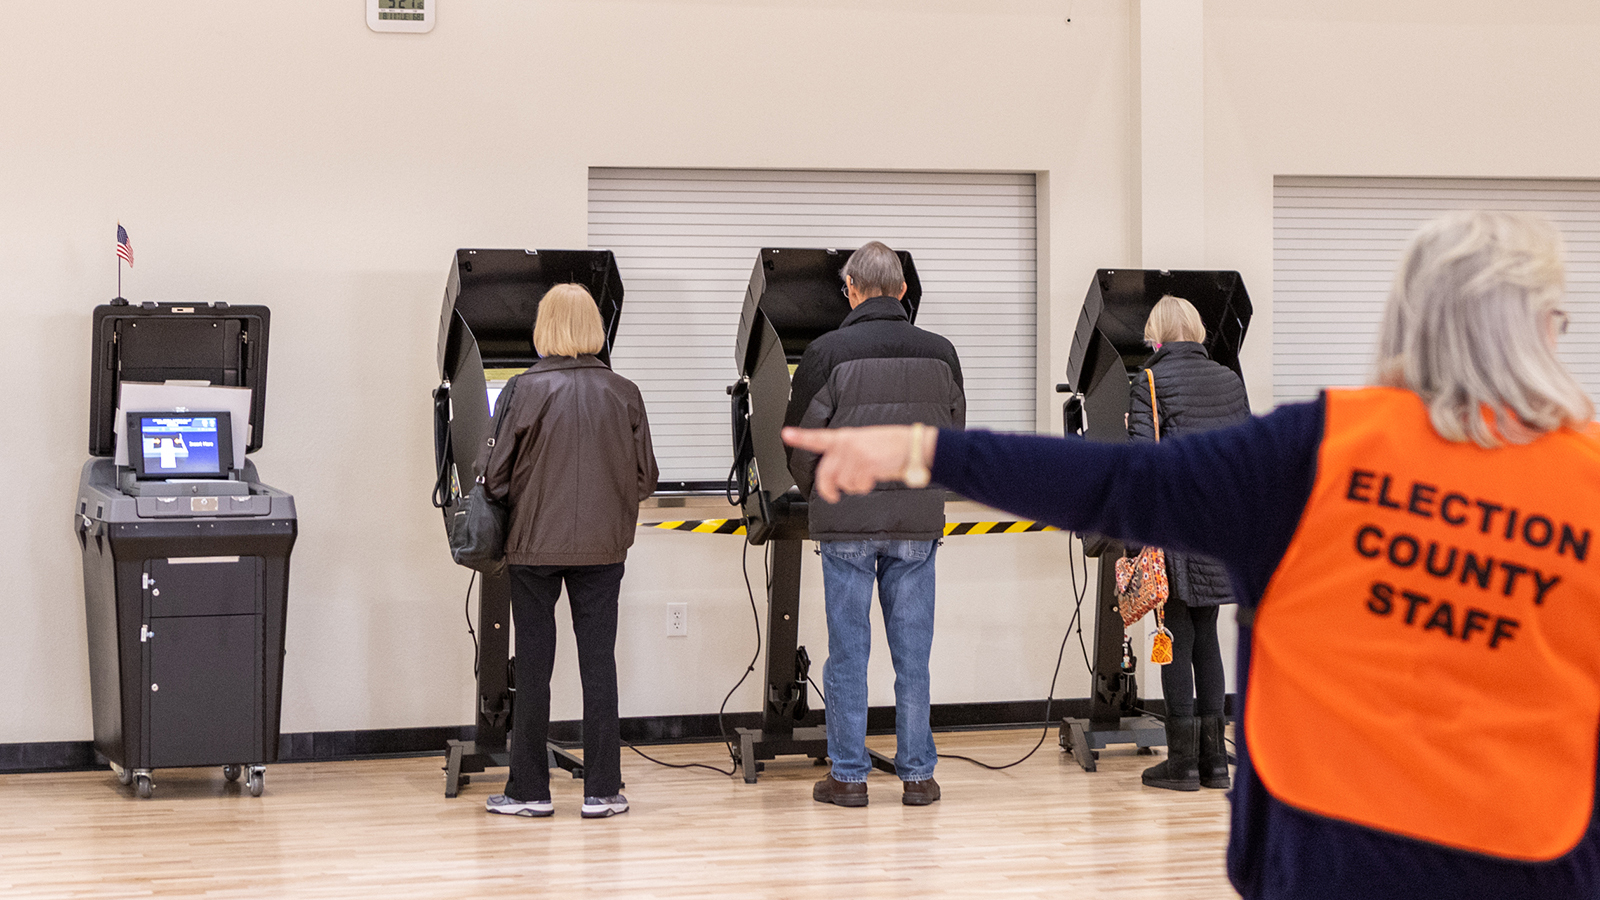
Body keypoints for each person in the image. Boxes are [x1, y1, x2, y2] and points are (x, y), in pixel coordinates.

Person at [783, 211, 1600, 899]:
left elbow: (1119, 480)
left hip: (1333, 854)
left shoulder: (1320, 451)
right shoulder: (1588, 475)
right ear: (1542, 330)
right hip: (1539, 850)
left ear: (1407, 321)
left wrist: (932, 453)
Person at [784, 240, 965, 808]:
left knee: (848, 654)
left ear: (851, 289)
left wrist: (821, 488)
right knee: (914, 657)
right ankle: (917, 776)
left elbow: (798, 441)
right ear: (904, 289)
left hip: (848, 524)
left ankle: (849, 776)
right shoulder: (942, 352)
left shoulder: (825, 352)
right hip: (916, 521)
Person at [477, 283, 658, 819]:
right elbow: (646, 478)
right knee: (598, 664)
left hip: (533, 548)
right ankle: (603, 790)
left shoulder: (521, 390)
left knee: (534, 666)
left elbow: (494, 477)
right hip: (605, 550)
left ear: (545, 328)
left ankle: (529, 791)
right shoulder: (625, 391)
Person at [1125, 295, 1250, 791]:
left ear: (1156, 335)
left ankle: (1180, 766)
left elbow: (1142, 468)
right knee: (1209, 638)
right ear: (1197, 331)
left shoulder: (1150, 382)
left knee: (1173, 637)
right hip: (1219, 527)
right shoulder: (1229, 380)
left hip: (1173, 528)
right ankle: (1215, 764)